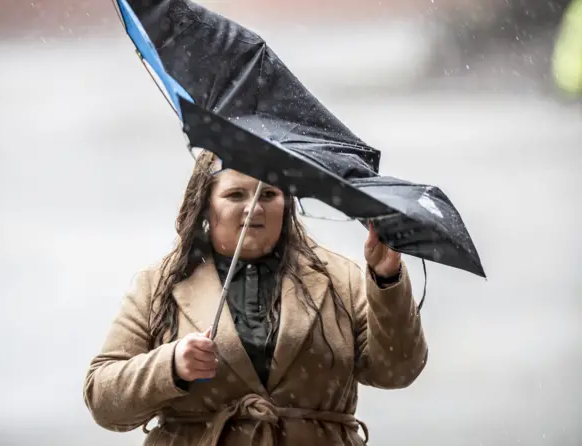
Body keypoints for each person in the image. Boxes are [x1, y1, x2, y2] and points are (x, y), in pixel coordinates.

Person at [83, 151, 428, 445]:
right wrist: (171, 366)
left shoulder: (341, 278)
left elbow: (398, 370)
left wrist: (386, 279)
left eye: (269, 194)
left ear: (287, 202)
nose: (254, 209)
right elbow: (103, 400)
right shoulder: (158, 286)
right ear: (205, 205)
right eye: (236, 195)